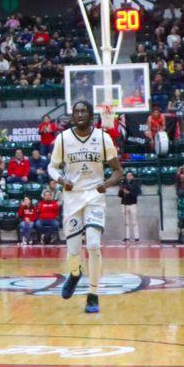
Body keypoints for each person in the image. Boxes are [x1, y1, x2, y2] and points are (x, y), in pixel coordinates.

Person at [50, 101, 124, 314]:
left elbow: (118, 171)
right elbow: (52, 167)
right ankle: (74, 274)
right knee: (73, 251)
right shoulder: (63, 139)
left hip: (94, 196)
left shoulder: (103, 138)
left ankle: (93, 294)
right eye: (76, 111)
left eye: (84, 111)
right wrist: (62, 180)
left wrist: (106, 184)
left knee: (93, 245)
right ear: (72, 116)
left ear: (91, 115)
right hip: (72, 198)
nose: (80, 114)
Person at [118, 169, 142, 242]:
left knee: (134, 221)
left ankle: (136, 237)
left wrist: (128, 192)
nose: (129, 177)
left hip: (133, 204)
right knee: (126, 222)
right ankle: (127, 236)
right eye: (127, 175)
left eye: (130, 175)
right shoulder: (123, 183)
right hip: (124, 204)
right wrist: (122, 190)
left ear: (132, 176)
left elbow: (137, 193)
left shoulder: (135, 184)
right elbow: (119, 195)